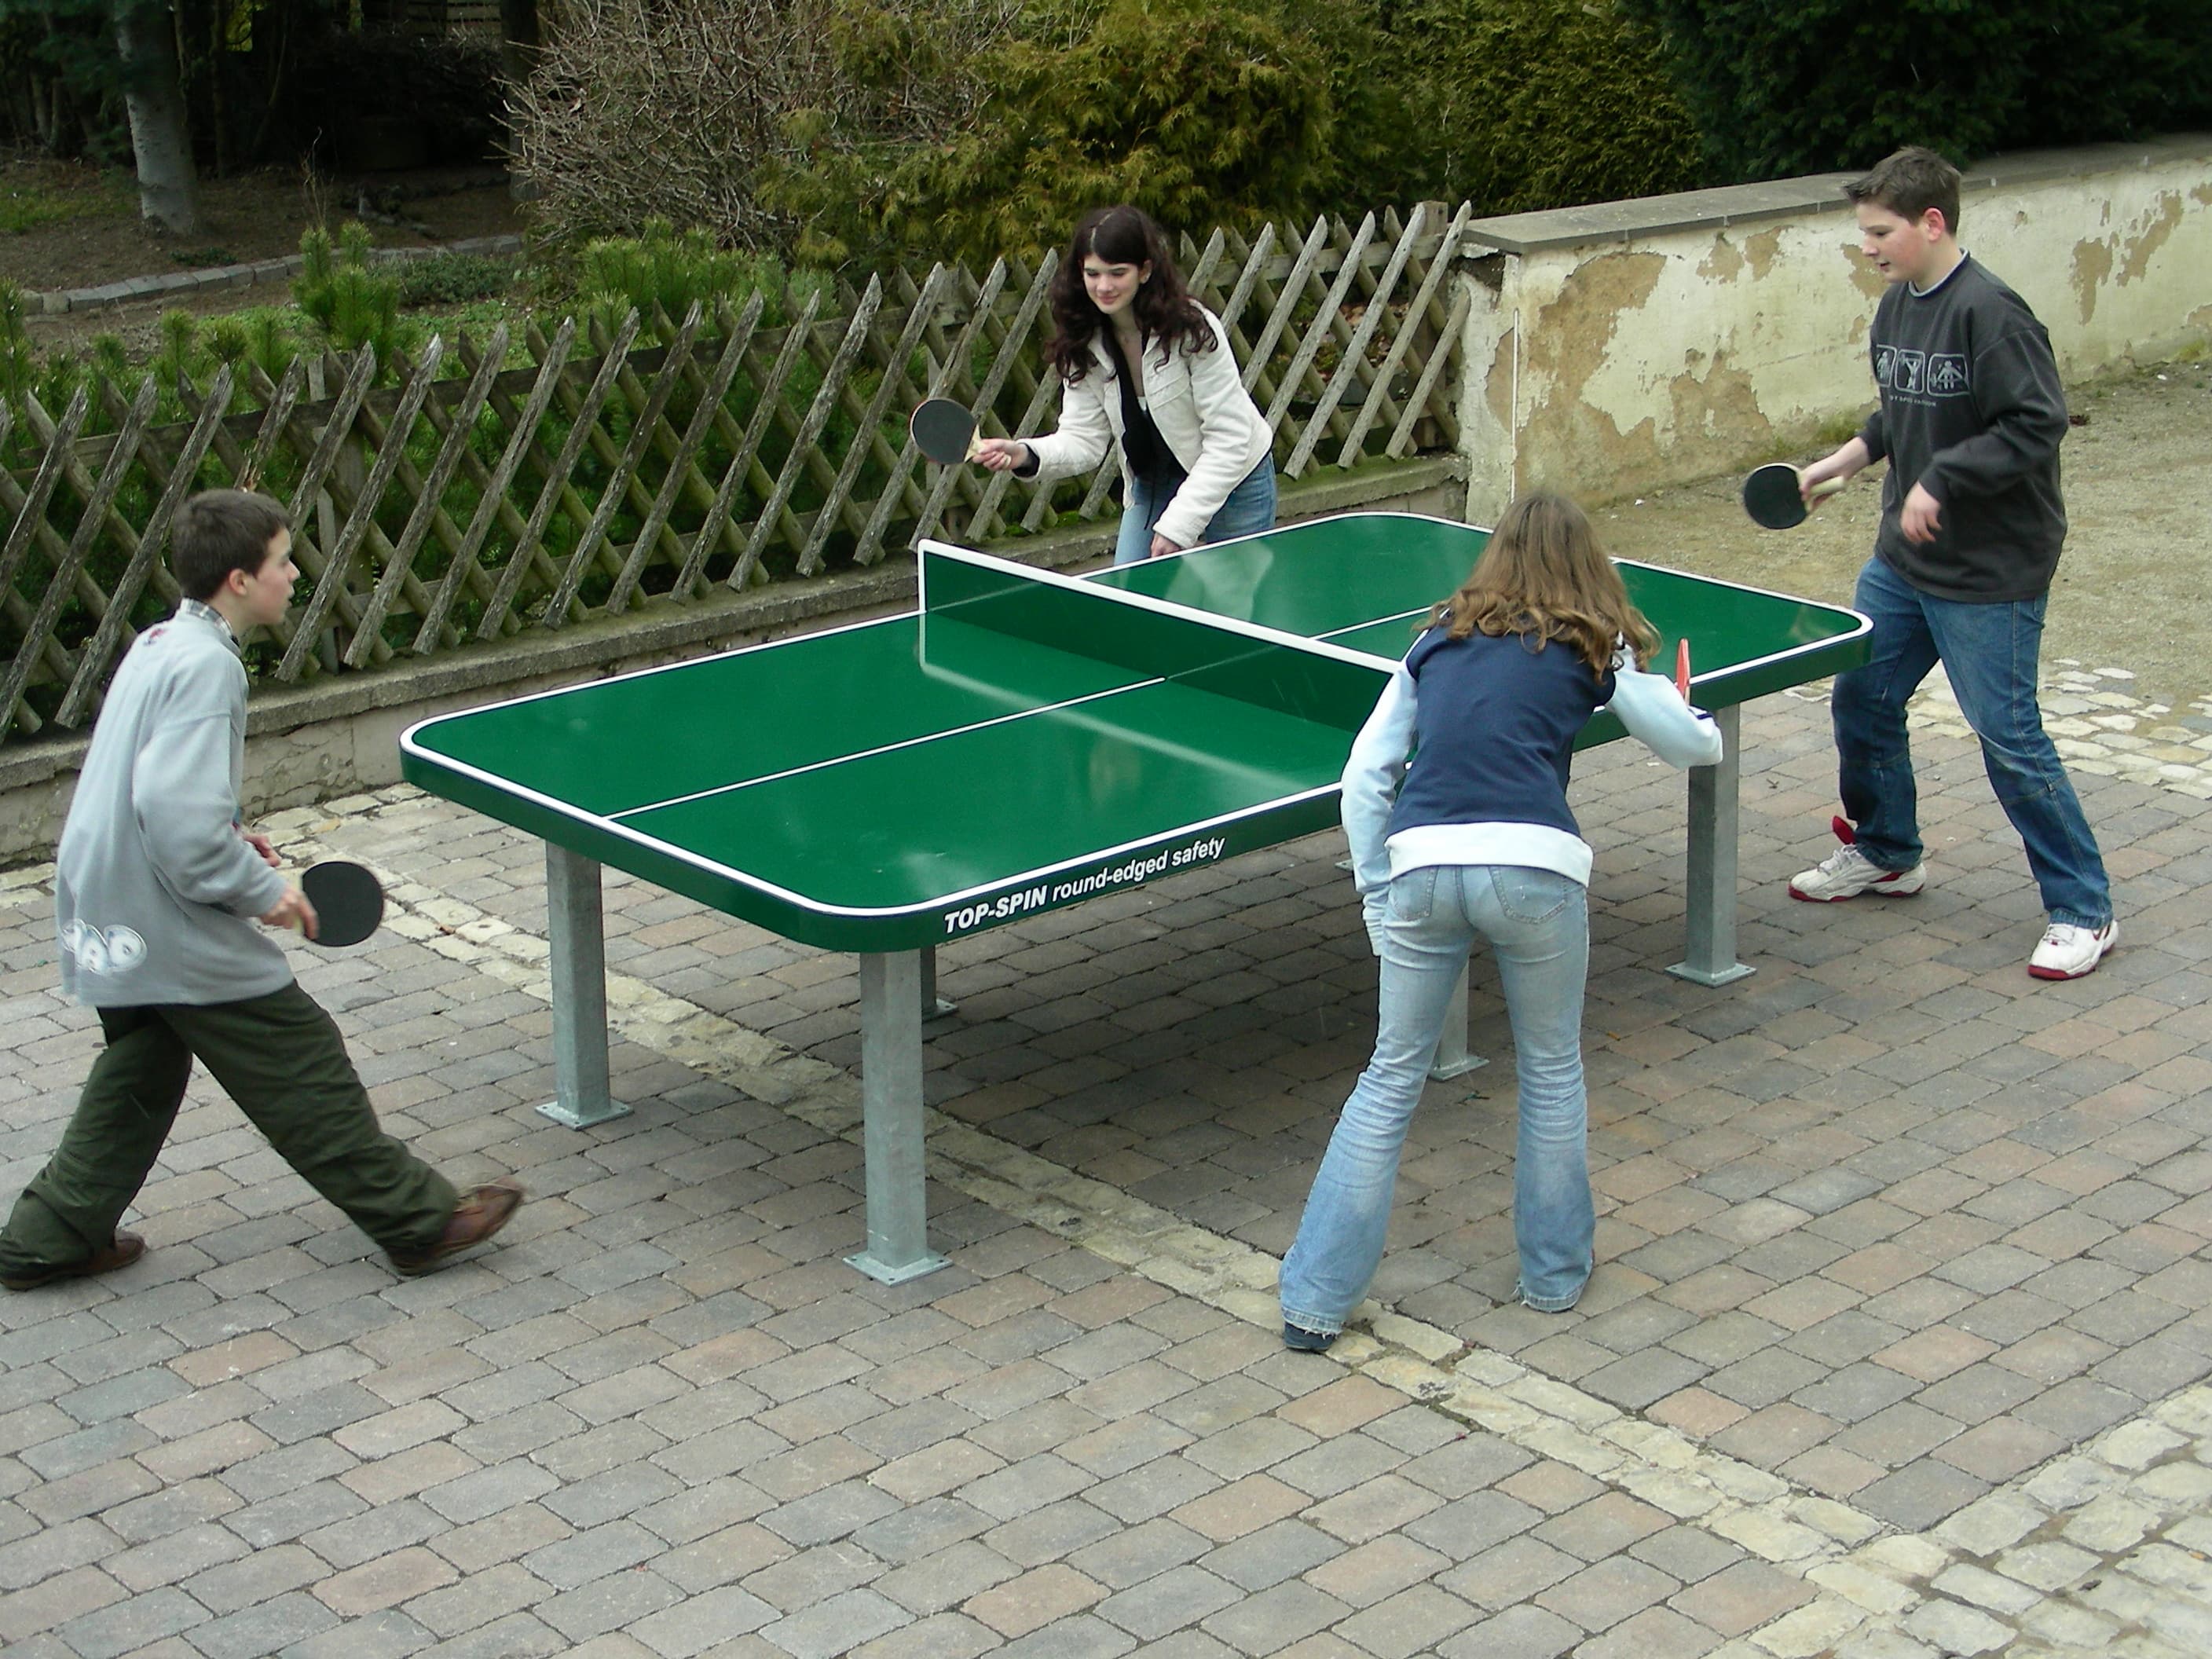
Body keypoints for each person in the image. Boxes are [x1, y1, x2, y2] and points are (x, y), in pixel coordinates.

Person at [0, 490, 523, 1292]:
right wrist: (258, 887)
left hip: (104, 894)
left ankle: (49, 1236)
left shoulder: (160, 642)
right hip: (158, 907)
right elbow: (178, 822)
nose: (293, 576)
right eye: (282, 561)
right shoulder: (209, 666)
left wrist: (227, 839)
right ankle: (418, 1221)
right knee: (296, 1051)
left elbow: (148, 787)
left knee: (144, 1059)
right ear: (240, 580)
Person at [1278, 493, 1722, 1350]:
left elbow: (1363, 779)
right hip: (1533, 867)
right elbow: (1694, 749)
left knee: (1388, 1077)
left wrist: (1377, 892)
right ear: (1587, 565)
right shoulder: (1594, 645)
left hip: (1418, 865)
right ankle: (1552, 1279)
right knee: (1550, 1069)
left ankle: (1312, 1303)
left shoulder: (1431, 642)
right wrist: (1684, 706)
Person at [1788, 146, 2115, 981]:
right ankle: (1887, 851)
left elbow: (2035, 423)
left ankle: (2083, 909)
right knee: (1861, 698)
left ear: (1931, 222)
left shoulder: (1993, 314)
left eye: (1879, 231)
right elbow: (1903, 407)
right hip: (1902, 561)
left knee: (2007, 738)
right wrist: (1847, 460)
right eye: (1863, 232)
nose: (1866, 247)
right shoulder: (1898, 307)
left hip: (1989, 571)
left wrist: (1942, 480)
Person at [975, 204, 1276, 565]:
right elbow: (1084, 440)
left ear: (1145, 271)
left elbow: (1230, 441)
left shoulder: (1194, 330)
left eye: (1117, 273)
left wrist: (1178, 526)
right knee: (1131, 598)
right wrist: (1023, 454)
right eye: (1093, 273)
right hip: (1152, 482)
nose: (1104, 286)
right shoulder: (1082, 341)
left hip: (1235, 477)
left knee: (1231, 609)